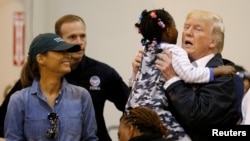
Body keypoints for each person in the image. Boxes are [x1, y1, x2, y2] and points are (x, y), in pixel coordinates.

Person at [0, 14, 130, 140]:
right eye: (72, 37)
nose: (79, 42)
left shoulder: (98, 77)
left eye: (83, 36)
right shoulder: (21, 96)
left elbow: (131, 107)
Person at [126, 9, 235, 141]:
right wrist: (138, 75)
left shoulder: (224, 75)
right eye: (186, 27)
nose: (188, 33)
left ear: (212, 42)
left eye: (197, 29)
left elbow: (199, 118)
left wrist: (173, 80)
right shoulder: (167, 61)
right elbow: (139, 110)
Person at [4, 33, 98, 141]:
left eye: (68, 51)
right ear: (41, 59)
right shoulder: (19, 100)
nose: (68, 55)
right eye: (60, 51)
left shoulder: (81, 96)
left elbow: (90, 138)